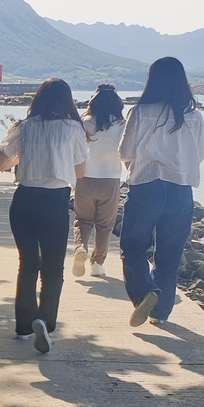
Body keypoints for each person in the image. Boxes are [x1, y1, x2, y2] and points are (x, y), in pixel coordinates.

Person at [0, 79, 89, 354]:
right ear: (67, 101)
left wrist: (21, 158)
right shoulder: (73, 129)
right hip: (55, 202)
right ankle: (44, 321)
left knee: (28, 264)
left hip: (24, 200)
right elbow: (80, 172)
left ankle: (23, 328)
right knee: (53, 267)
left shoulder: (24, 127)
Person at [119, 57, 204, 327]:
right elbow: (200, 154)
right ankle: (161, 313)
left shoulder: (140, 112)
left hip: (146, 186)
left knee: (133, 246)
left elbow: (125, 152)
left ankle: (146, 291)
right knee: (170, 252)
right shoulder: (194, 116)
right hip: (181, 190)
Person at [73, 84, 125, 278]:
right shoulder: (122, 125)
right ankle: (97, 264)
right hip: (110, 180)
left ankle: (80, 247)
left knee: (83, 221)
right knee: (104, 225)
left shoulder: (84, 122)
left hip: (85, 178)